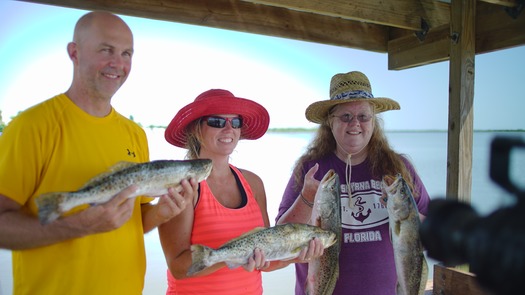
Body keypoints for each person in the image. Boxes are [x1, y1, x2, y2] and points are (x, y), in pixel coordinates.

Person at [0, 11, 193, 295]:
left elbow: (132, 222)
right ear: (74, 52)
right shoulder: (31, 126)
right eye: (106, 50)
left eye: (127, 53)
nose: (118, 63)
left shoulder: (135, 133)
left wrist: (161, 212)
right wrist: (75, 227)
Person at [276, 71, 431, 295]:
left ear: (374, 121)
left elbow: (428, 235)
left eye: (364, 116)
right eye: (346, 116)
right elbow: (282, 238)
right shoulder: (311, 168)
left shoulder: (398, 169)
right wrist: (307, 197)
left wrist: (403, 213)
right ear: (330, 122)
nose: (355, 124)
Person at [159, 89, 324, 295]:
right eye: (217, 122)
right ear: (196, 129)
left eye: (235, 122)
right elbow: (179, 268)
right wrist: (232, 256)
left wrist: (297, 255)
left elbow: (265, 261)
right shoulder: (183, 186)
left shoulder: (253, 183)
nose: (229, 129)